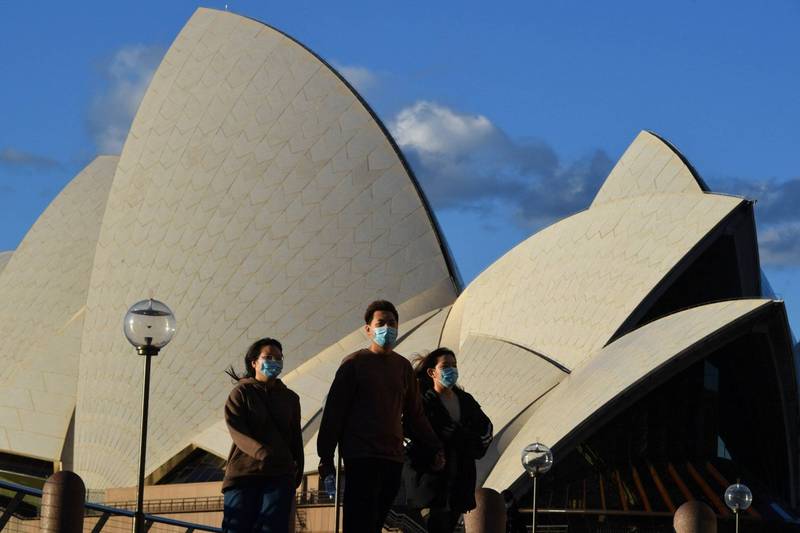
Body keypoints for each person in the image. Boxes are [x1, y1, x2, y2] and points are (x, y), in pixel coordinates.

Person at [317, 300, 445, 533]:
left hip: (392, 457)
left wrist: (435, 446)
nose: (388, 328)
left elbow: (416, 414)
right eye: (381, 323)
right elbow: (334, 413)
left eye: (392, 323)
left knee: (377, 521)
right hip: (361, 455)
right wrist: (325, 458)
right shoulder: (354, 363)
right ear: (368, 329)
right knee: (359, 522)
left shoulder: (403, 367)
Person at [402, 347, 493, 533]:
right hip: (429, 485)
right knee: (434, 526)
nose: (451, 370)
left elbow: (486, 431)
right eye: (445, 366)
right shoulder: (420, 403)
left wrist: (459, 437)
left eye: (454, 365)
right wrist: (429, 458)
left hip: (459, 483)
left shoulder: (466, 401)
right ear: (432, 372)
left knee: (448, 527)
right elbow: (404, 438)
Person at [221, 338, 303, 533]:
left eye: (278, 358)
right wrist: (261, 452)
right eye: (268, 357)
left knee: (272, 527)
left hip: (279, 474)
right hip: (244, 473)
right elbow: (236, 429)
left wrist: (297, 469)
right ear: (254, 362)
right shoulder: (241, 392)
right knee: (237, 527)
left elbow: (295, 437)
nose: (274, 361)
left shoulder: (291, 398)